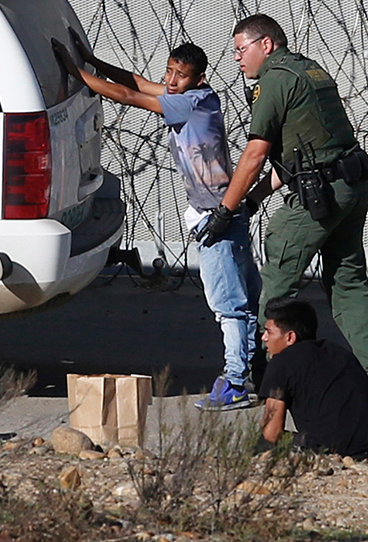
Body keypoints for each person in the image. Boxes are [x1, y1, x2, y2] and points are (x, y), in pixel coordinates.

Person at [196, 13, 368, 404]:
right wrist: (254, 199)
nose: (237, 58)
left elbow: (256, 154)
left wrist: (225, 210)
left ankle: (257, 375)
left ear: (266, 45)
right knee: (347, 282)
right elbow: (296, 158)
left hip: (319, 195)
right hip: (348, 185)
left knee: (276, 285)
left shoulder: (275, 80)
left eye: (241, 49)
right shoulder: (309, 70)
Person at [55, 36, 262, 410]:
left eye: (181, 75)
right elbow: (137, 82)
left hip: (217, 218)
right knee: (243, 301)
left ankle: (235, 382)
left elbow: (128, 96)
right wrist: (93, 60)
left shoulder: (190, 103)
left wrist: (76, 73)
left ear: (198, 79)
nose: (171, 80)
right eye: (169, 71)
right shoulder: (194, 96)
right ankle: (251, 370)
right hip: (225, 212)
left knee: (228, 306)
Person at [257, 297, 368, 460]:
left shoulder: (281, 363)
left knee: (264, 443)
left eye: (269, 332)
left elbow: (271, 433)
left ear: (290, 337)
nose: (264, 338)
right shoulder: (340, 352)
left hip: (338, 452)